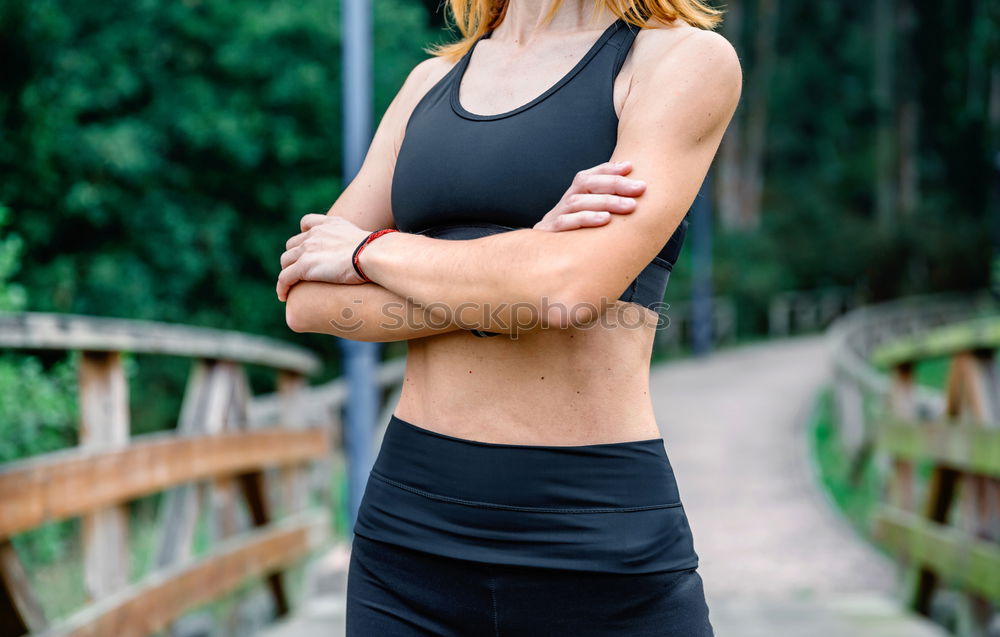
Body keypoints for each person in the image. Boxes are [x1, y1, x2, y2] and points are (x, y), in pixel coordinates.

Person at [277, 0, 740, 633]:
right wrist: (523, 261)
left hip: (595, 543)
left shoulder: (680, 62)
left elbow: (568, 289)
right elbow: (308, 300)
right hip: (407, 544)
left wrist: (369, 250)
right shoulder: (427, 85)